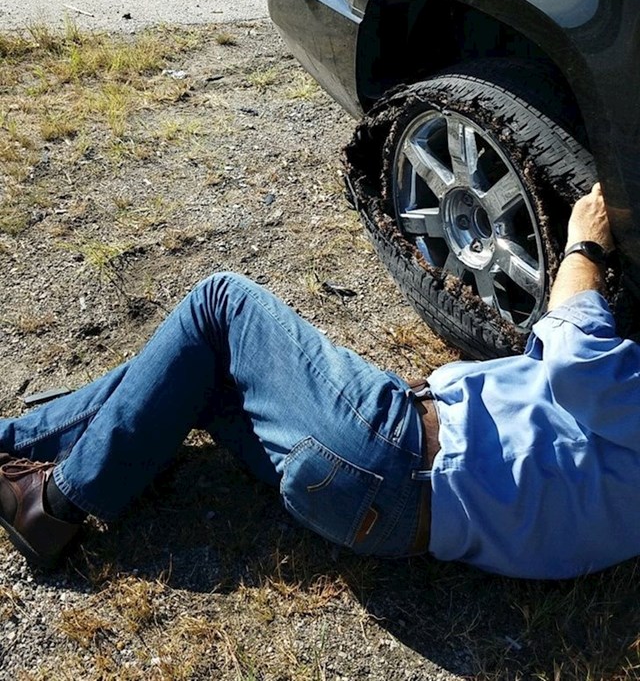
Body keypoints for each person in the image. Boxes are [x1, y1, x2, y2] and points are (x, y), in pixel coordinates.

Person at [0, 184, 635, 580]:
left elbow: (574, 359)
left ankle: (53, 503)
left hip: (393, 455)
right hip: (385, 527)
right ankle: (14, 446)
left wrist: (585, 247)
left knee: (220, 305)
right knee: (196, 374)